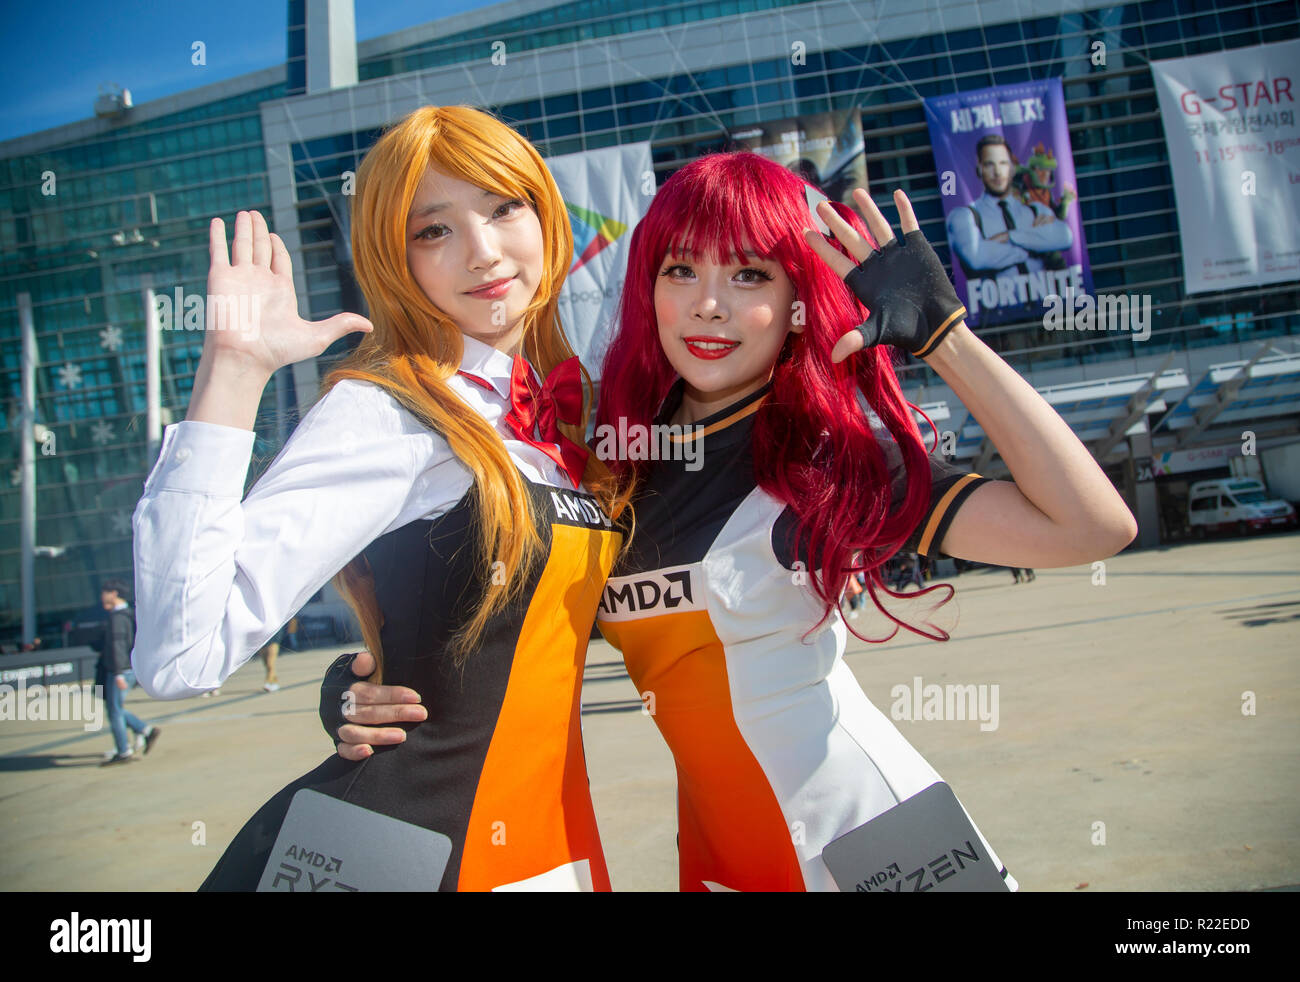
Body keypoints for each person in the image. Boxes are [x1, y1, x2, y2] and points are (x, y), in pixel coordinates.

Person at [328, 152, 1137, 891]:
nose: (708, 306)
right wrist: (387, 686)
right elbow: (514, 635)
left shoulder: (822, 459)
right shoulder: (611, 462)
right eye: (681, 269)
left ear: (796, 300)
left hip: (873, 843)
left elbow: (1090, 529)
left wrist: (948, 341)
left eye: (750, 275)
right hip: (719, 861)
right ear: (649, 286)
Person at [131, 105, 623, 891]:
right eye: (435, 231)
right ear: (398, 262)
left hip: (551, 842)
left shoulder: (560, 417)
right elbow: (179, 655)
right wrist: (234, 369)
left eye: (504, 208)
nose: (483, 252)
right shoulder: (389, 409)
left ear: (547, 216)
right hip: (408, 852)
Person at [947, 134, 1073, 288]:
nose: (998, 172)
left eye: (1003, 163)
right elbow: (976, 257)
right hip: (997, 308)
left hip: (1047, 306)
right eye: (989, 164)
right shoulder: (965, 216)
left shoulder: (1035, 210)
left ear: (1012, 168)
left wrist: (1011, 236)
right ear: (980, 169)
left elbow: (1065, 237)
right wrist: (1033, 245)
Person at [97, 579, 159, 765]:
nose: (102, 596)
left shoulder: (117, 618)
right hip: (126, 668)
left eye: (104, 592)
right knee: (115, 708)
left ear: (114, 593)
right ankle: (145, 730)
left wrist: (117, 673)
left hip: (120, 670)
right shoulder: (129, 615)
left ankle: (124, 750)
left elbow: (118, 646)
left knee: (114, 711)